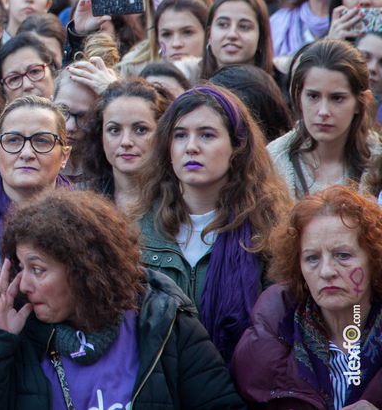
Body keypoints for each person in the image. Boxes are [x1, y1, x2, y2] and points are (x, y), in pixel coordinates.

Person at [0, 188, 246, 409]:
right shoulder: (14, 331)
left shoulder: (163, 317)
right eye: (21, 266)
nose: (23, 284)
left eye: (38, 269)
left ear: (82, 270)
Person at [135, 86, 291, 363]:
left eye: (207, 135)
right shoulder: (136, 231)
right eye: (180, 135)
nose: (191, 146)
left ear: (237, 147)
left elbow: (282, 333)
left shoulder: (270, 232)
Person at [232, 186, 382, 407]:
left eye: (343, 255)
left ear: (374, 259)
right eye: (312, 258)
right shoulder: (268, 339)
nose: (326, 271)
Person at [0, 96, 73, 260]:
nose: (26, 153)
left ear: (64, 156)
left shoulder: (92, 228)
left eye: (41, 140)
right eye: (13, 140)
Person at [268, 39, 380, 198]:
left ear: (361, 102)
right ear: (298, 97)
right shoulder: (271, 163)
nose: (323, 111)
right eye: (313, 96)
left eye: (337, 98)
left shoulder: (378, 164)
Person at [78, 78, 170, 211]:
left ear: (162, 132)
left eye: (141, 130)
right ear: (101, 135)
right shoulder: (83, 203)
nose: (126, 142)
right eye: (114, 130)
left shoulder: (182, 202)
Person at [201, 0, 279, 84]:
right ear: (209, 34)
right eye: (223, 24)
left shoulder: (287, 89)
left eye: (244, 26)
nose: (232, 34)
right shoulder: (187, 86)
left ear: (261, 37)